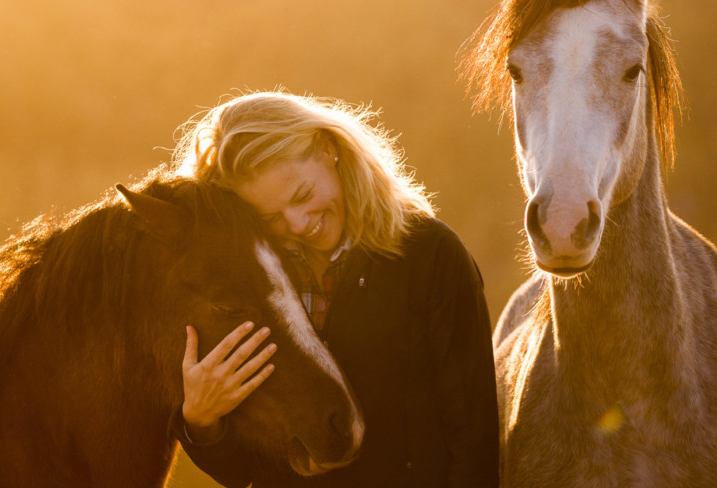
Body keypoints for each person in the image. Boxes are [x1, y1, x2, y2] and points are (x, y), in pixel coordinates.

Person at [168, 91, 499, 488]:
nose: (296, 224)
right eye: (270, 217)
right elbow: (244, 472)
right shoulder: (247, 286)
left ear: (329, 149)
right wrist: (202, 421)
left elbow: (474, 434)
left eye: (302, 196)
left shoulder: (430, 255)